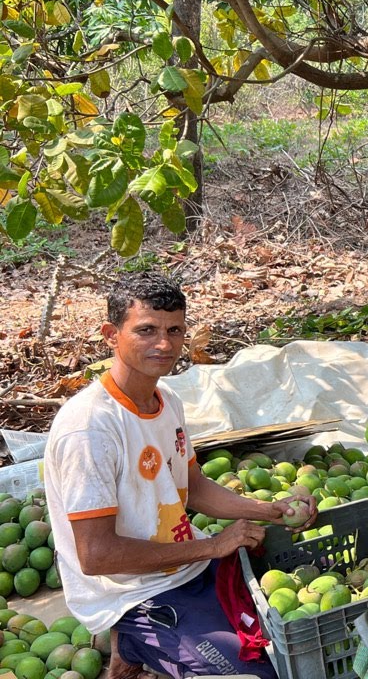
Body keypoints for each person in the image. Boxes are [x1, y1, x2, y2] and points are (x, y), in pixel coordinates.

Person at [44, 272, 317, 679]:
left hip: (189, 563)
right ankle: (132, 639)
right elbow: (97, 555)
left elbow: (194, 488)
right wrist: (213, 546)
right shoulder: (89, 428)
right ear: (111, 335)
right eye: (146, 330)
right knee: (256, 673)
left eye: (174, 330)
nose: (164, 344)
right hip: (134, 591)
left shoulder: (167, 400)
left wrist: (269, 510)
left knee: (298, 632)